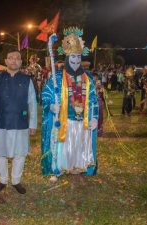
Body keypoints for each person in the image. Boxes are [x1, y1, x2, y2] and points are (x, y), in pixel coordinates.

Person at [41, 27, 99, 183]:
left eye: (78, 56)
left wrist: (94, 117)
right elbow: (46, 95)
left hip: (82, 120)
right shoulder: (58, 76)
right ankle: (58, 169)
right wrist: (51, 106)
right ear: (67, 57)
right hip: (63, 120)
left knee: (79, 145)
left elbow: (93, 98)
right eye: (73, 56)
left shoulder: (87, 77)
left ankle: (76, 171)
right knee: (62, 146)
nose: (76, 60)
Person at [0, 48, 37, 194]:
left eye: (17, 58)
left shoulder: (27, 80)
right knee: (0, 152)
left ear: (21, 62)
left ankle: (16, 180)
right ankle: (2, 180)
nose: (14, 60)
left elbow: (32, 103)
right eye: (11, 58)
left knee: (20, 152)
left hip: (20, 121)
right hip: (1, 121)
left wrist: (32, 123)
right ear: (6, 61)